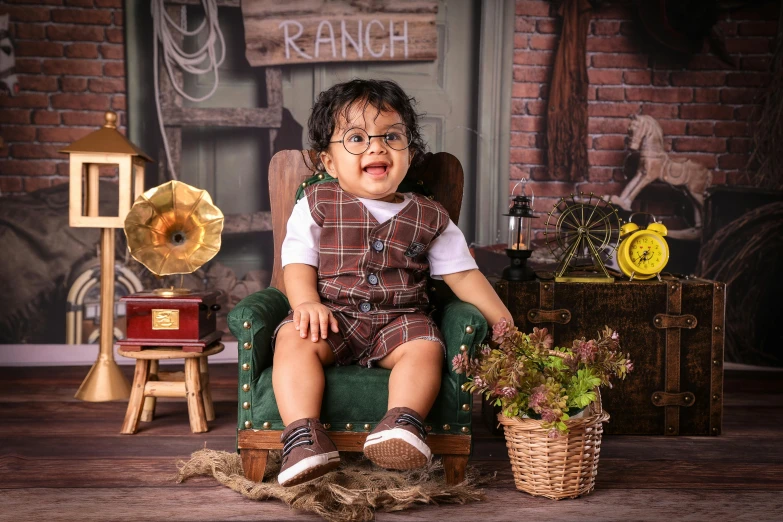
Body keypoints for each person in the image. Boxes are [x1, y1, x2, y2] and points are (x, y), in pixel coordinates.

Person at [273, 79, 512, 487]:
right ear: (328, 163)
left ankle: (400, 424)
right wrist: (306, 302)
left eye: (391, 136)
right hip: (332, 318)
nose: (376, 147)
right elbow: (296, 261)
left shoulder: (430, 215)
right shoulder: (316, 203)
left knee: (425, 348)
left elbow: (463, 275)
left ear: (409, 154)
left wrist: (503, 321)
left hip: (399, 322)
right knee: (294, 340)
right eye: (356, 138)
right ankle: (303, 436)